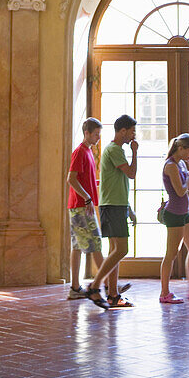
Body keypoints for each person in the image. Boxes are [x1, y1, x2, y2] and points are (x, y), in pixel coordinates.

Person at [86, 114, 138, 309]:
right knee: (122, 249)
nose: (133, 135)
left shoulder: (114, 150)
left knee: (115, 250)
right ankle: (95, 285)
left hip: (116, 205)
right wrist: (135, 152)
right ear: (122, 131)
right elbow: (131, 174)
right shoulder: (115, 149)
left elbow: (119, 183)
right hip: (113, 206)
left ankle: (113, 295)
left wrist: (128, 209)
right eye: (132, 131)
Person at [159, 134, 189, 304]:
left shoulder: (181, 164)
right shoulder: (170, 166)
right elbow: (180, 191)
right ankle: (164, 293)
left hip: (184, 213)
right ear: (180, 148)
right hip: (174, 214)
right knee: (171, 254)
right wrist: (188, 174)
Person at [66, 117, 104, 300]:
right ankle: (108, 283)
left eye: (99, 134)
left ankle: (75, 287)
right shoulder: (80, 152)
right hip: (81, 206)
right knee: (95, 243)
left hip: (81, 205)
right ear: (87, 133)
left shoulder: (88, 152)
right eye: (96, 134)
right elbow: (71, 179)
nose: (98, 138)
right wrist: (87, 197)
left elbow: (84, 179)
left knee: (77, 247)